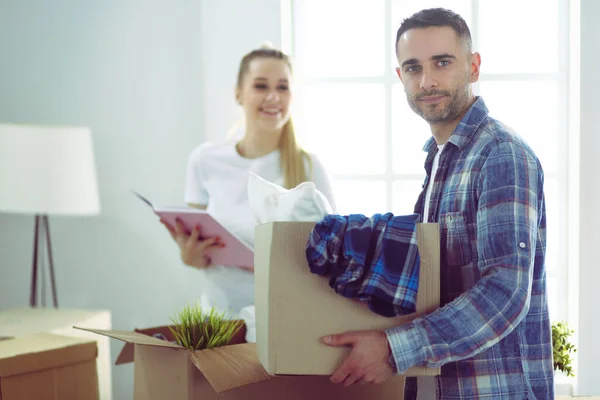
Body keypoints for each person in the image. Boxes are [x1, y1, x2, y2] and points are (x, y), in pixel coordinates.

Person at [321, 8, 552, 399]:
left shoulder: (501, 155)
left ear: (473, 66)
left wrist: (393, 349)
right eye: (413, 68)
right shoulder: (440, 159)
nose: (427, 81)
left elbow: (505, 291)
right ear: (400, 77)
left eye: (442, 63)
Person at [162, 46, 336, 315]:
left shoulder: (309, 168)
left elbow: (334, 255)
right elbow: (196, 252)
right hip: (219, 319)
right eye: (260, 85)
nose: (272, 96)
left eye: (282, 87)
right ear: (238, 94)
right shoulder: (204, 160)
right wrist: (191, 257)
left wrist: (271, 264)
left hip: (287, 318)